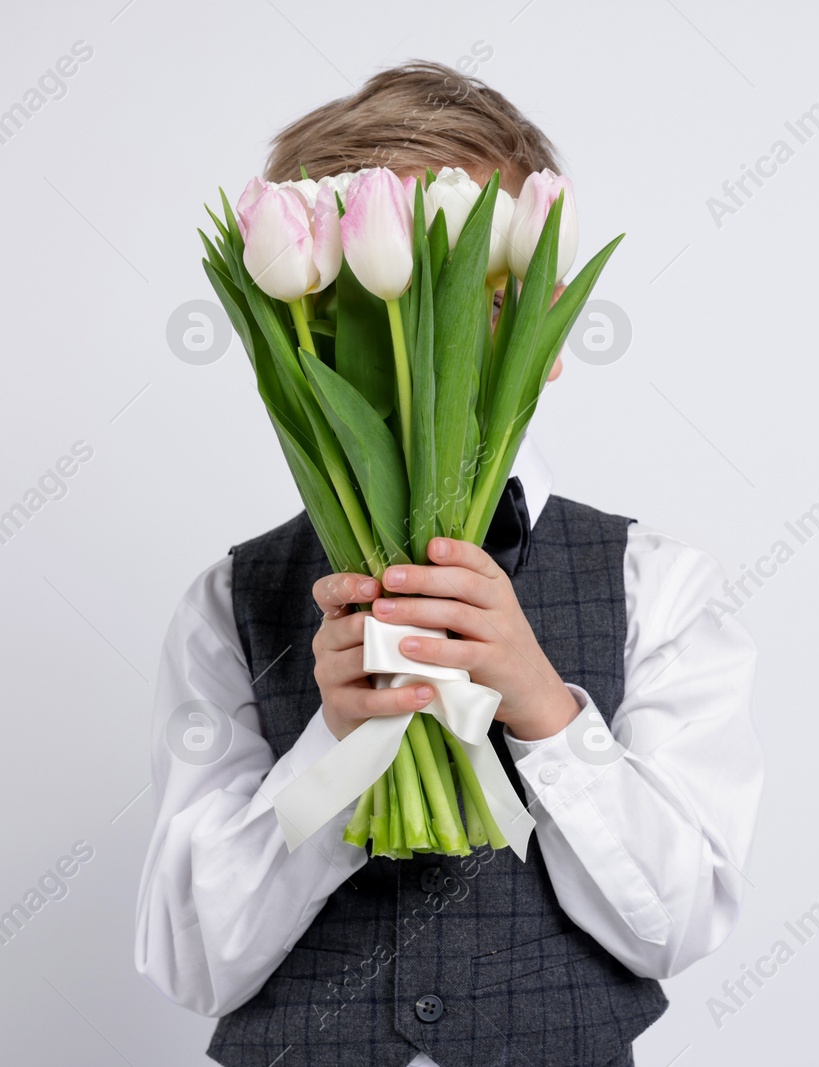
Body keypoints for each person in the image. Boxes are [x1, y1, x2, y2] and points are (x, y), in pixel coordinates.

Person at [133, 61, 763, 1067]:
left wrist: (543, 706)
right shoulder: (230, 602)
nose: (420, 339)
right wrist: (336, 746)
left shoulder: (658, 582)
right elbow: (195, 963)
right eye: (359, 303)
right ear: (302, 332)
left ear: (547, 324)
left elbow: (676, 924)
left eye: (474, 290)